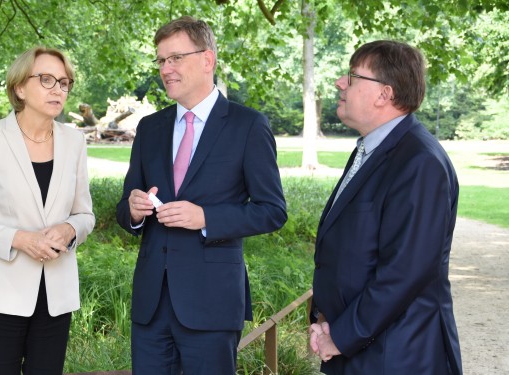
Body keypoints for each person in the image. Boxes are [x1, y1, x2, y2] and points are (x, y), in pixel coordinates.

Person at [116, 16, 287, 374]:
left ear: (207, 59)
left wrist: (206, 218)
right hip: (151, 305)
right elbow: (126, 204)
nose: (166, 69)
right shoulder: (150, 127)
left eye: (175, 58)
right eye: (161, 60)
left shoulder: (248, 125)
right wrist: (133, 211)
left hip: (212, 304)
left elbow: (272, 210)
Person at [309, 40, 462, 374]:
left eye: (352, 76)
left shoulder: (420, 162)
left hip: (397, 357)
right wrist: (325, 320)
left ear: (384, 94)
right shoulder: (371, 148)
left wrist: (341, 335)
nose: (339, 83)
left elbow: (404, 272)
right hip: (357, 350)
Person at [0, 46, 95, 374]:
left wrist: (71, 229)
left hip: (56, 298)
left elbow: (85, 214)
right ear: (19, 87)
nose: (58, 89)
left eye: (64, 82)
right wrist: (18, 238)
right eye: (46, 79)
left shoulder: (75, 142)